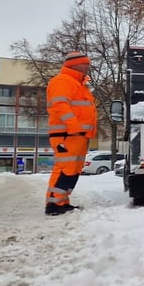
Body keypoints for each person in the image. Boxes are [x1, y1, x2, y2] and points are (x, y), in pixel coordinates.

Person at [44, 51, 97, 215]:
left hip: (77, 135)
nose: (88, 66)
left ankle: (61, 202)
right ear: (75, 65)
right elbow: (60, 105)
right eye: (85, 63)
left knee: (72, 170)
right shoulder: (62, 81)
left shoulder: (78, 83)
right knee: (65, 169)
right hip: (67, 135)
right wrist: (73, 127)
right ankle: (53, 204)